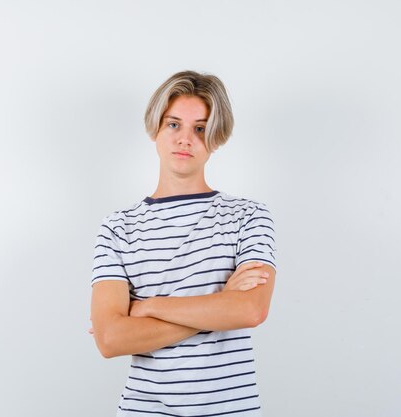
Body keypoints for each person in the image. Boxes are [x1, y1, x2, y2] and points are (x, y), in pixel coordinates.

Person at [90, 70, 277, 416]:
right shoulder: (117, 228)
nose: (184, 139)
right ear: (155, 130)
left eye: (200, 128)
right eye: (174, 124)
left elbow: (250, 310)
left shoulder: (248, 217)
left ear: (216, 138)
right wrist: (220, 305)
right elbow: (110, 339)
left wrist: (146, 307)